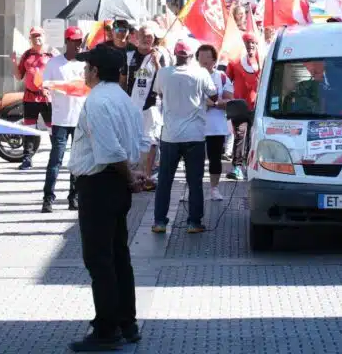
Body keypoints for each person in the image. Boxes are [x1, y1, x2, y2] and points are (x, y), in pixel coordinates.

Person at [68, 44, 144, 352]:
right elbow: (134, 145)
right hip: (114, 183)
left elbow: (110, 150)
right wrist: (133, 174)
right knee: (117, 255)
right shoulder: (124, 100)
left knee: (100, 258)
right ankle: (126, 322)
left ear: (95, 71)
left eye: (87, 67)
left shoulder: (98, 101)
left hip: (100, 184)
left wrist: (128, 175)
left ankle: (107, 328)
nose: (84, 72)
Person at [151, 40, 218, 234]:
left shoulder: (163, 73)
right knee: (195, 181)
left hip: (170, 135)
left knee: (165, 181)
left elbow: (159, 94)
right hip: (194, 135)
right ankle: (194, 222)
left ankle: (159, 222)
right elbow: (213, 96)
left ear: (174, 54)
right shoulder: (201, 73)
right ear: (191, 56)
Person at [41, 27, 87, 214]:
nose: (78, 45)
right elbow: (45, 85)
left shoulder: (85, 63)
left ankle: (74, 197)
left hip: (80, 119)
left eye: (80, 41)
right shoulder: (54, 63)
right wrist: (46, 91)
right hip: (60, 119)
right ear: (66, 41)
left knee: (77, 161)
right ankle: (48, 198)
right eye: (74, 41)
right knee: (56, 160)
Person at [125, 22, 169, 188]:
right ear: (137, 37)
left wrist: (157, 63)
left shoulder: (160, 55)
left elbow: (165, 79)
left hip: (151, 105)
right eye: (142, 36)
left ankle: (148, 177)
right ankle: (133, 176)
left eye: (149, 36)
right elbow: (123, 80)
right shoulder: (129, 56)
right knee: (131, 141)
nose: (145, 39)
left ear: (154, 39)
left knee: (151, 141)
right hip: (131, 104)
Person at [11, 26, 54, 170]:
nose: (37, 38)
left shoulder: (51, 54)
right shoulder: (26, 54)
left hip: (47, 98)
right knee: (29, 129)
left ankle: (55, 159)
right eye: (34, 36)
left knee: (52, 129)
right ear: (30, 39)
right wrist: (13, 63)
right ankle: (27, 159)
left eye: (39, 35)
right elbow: (18, 76)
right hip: (29, 97)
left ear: (44, 36)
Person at [197, 44, 233, 201]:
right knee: (193, 159)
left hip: (216, 127)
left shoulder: (222, 77)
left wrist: (216, 103)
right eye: (201, 58)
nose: (204, 61)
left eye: (207, 58)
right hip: (196, 126)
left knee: (215, 159)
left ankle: (214, 188)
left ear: (214, 60)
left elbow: (230, 100)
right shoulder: (192, 76)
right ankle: (191, 189)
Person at [225, 33, 260, 181]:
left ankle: (249, 165)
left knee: (253, 136)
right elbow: (227, 82)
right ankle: (237, 167)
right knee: (240, 135)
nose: (250, 46)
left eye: (253, 44)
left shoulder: (263, 61)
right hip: (240, 105)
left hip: (257, 105)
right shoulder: (234, 62)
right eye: (247, 44)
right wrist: (229, 99)